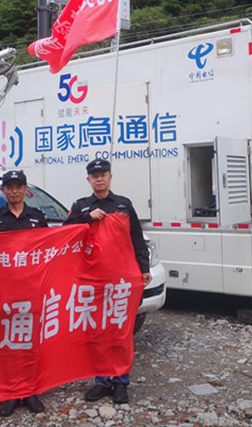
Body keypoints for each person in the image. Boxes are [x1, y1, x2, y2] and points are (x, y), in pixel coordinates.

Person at [65, 158, 151, 405]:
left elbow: (136, 238)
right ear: (88, 180)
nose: (99, 179)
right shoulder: (81, 206)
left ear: (110, 177)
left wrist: (143, 268)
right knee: (98, 330)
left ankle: (121, 381)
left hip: (121, 279)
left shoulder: (123, 204)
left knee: (120, 330)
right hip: (93, 281)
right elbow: (65, 231)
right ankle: (102, 380)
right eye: (95, 176)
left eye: (103, 174)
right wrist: (87, 217)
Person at [0, 169, 48, 416]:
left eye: (18, 186)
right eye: (9, 187)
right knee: (7, 342)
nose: (14, 191)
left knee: (31, 342)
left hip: (31, 288)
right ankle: (10, 393)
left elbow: (48, 249)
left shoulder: (37, 217)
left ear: (25, 189)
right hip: (4, 290)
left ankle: (30, 391)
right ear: (3, 190)